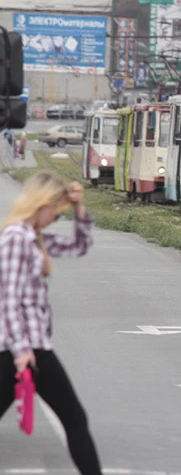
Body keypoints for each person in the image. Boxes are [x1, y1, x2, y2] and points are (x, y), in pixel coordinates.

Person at [0, 172, 102, 474]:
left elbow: (79, 247)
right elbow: (7, 301)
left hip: (29, 348)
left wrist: (80, 208)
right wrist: (21, 352)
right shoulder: (15, 238)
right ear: (41, 203)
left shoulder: (36, 238)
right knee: (75, 418)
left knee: (74, 419)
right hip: (24, 349)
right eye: (56, 210)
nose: (57, 217)